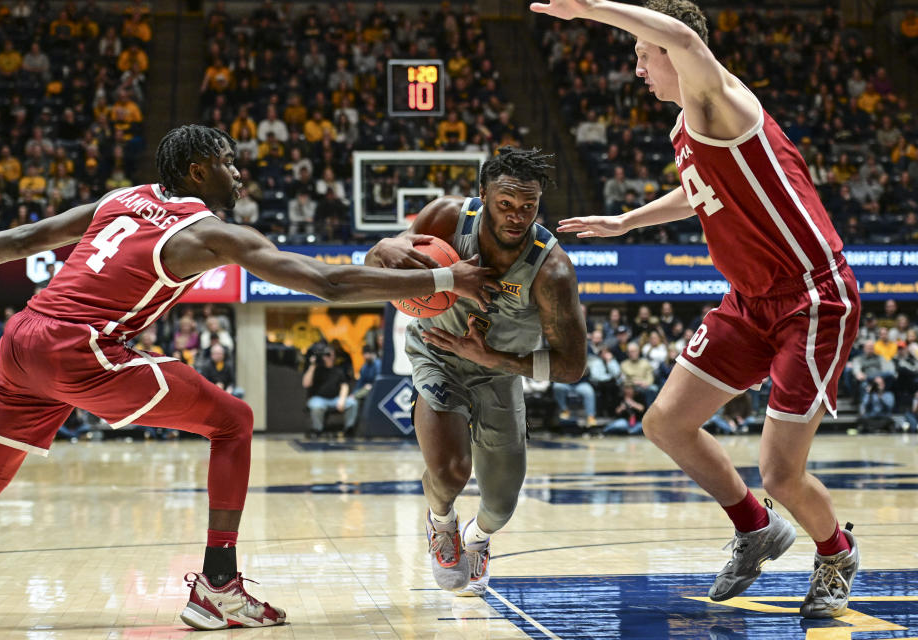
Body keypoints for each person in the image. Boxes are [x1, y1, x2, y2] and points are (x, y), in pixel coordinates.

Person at [0, 124, 497, 630]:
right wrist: (448, 276)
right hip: (80, 349)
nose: (238, 173)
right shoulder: (209, 234)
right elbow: (325, 283)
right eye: (227, 162)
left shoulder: (119, 198)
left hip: (23, 336)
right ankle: (218, 586)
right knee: (234, 420)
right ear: (197, 172)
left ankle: (219, 586)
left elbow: (27, 236)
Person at [536, 0, 861, 619]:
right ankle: (755, 528)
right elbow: (700, 191)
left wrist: (591, 9)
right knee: (665, 422)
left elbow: (682, 34)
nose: (638, 69)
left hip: (812, 298)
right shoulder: (687, 125)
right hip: (749, 302)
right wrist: (628, 221)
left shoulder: (723, 99)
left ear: (674, 52)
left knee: (781, 473)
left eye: (642, 54)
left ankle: (836, 550)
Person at [365, 147, 587, 596]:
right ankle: (442, 523)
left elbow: (572, 366)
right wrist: (381, 248)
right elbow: (378, 271)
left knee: (501, 504)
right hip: (437, 354)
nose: (516, 217)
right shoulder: (445, 219)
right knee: (450, 471)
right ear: (483, 194)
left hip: (499, 373)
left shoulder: (553, 271)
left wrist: (496, 360)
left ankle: (477, 538)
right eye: (505, 204)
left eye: (529, 207)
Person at [302, 346, 358, 437]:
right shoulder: (316, 369)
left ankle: (349, 429)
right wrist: (312, 365)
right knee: (316, 405)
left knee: (352, 403)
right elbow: (306, 384)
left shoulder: (338, 370)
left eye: (330, 355)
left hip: (335, 399)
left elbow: (344, 386)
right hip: (319, 399)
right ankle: (317, 430)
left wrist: (342, 399)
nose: (329, 357)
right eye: (326, 355)